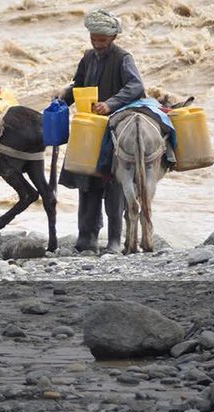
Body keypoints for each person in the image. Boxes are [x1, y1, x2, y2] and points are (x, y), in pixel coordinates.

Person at [58, 8, 145, 253]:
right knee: (86, 182)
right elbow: (79, 85)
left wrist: (111, 103)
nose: (98, 44)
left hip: (115, 128)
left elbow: (136, 86)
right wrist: (61, 100)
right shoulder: (88, 58)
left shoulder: (123, 58)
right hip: (89, 127)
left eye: (102, 41)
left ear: (113, 39)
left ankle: (115, 240)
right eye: (94, 39)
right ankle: (86, 237)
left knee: (113, 183)